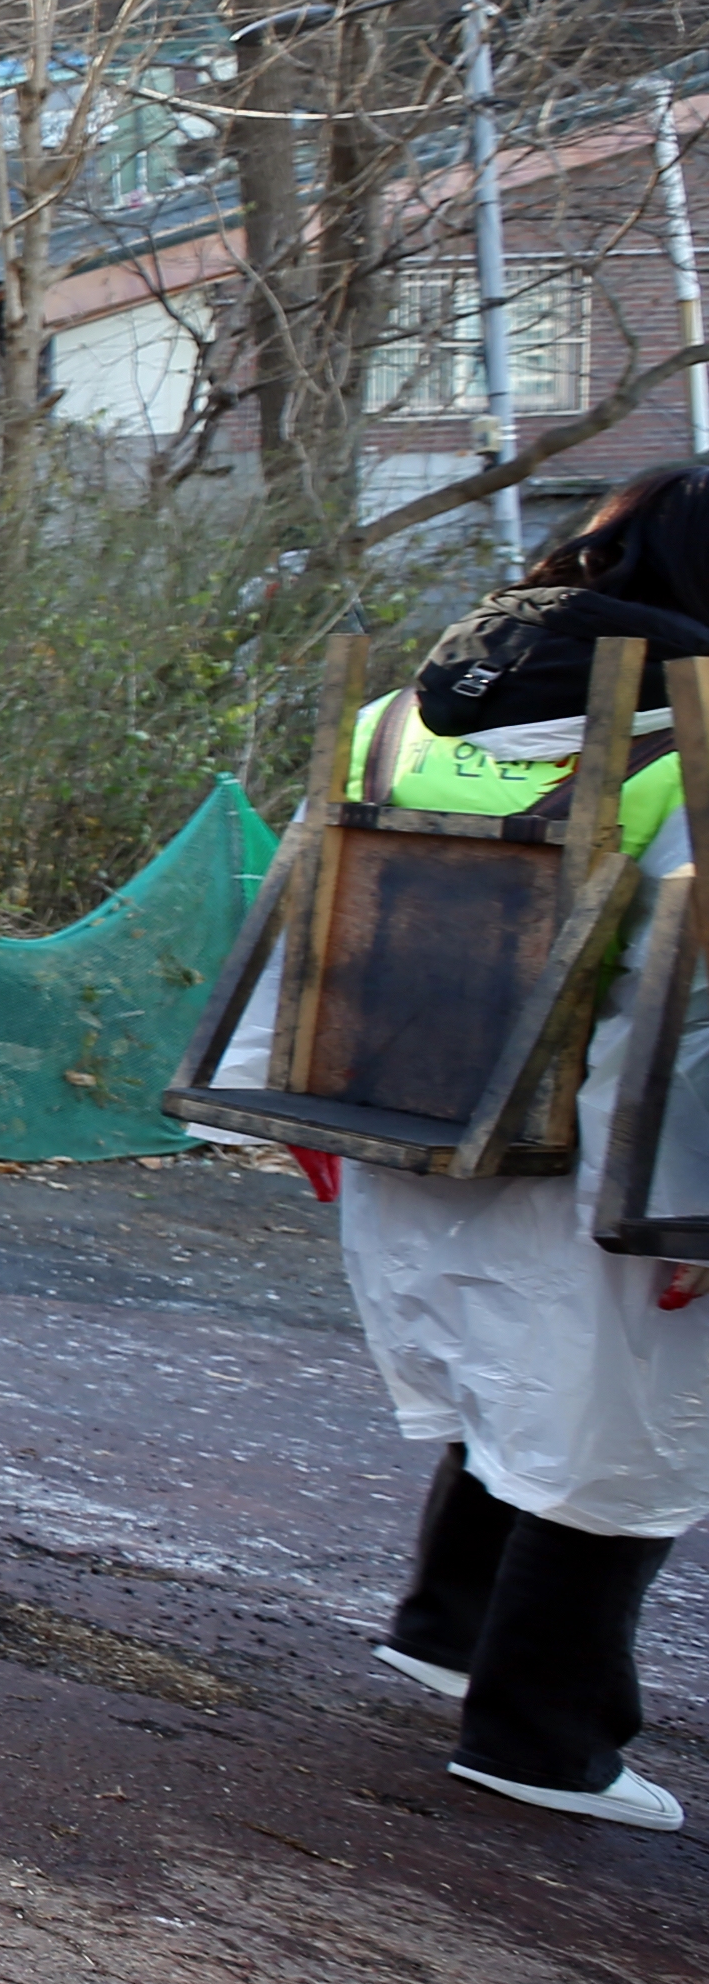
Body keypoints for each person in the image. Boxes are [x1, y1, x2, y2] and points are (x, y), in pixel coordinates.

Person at [269, 466, 709, 1827]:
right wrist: (689, 1204)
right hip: (599, 1156)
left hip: (403, 1125)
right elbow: (689, 1007)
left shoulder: (420, 703)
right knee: (622, 1436)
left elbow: (299, 905)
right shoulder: (692, 727)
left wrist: (291, 1110)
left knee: (518, 1388)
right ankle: (542, 1738)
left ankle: (445, 1628)